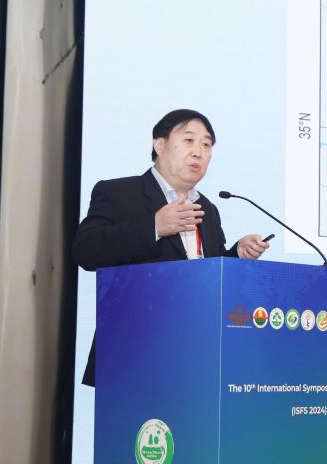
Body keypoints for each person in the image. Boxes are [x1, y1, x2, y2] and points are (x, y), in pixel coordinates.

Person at [74, 109, 269, 385]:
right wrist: (154, 227)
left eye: (206, 145)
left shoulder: (208, 209)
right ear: (159, 144)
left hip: (195, 358)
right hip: (134, 357)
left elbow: (204, 272)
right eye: (189, 140)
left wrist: (236, 254)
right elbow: (86, 251)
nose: (198, 152)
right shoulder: (119, 193)